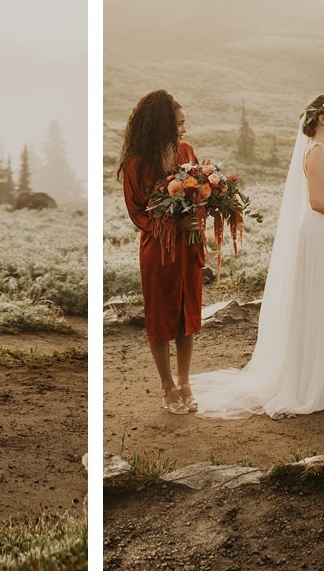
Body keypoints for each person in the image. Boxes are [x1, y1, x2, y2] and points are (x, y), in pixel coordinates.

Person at [191, 91, 324, 418]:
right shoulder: (316, 153)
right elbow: (316, 202)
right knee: (322, 303)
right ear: (322, 120)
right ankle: (315, 382)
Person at [118, 91, 206, 414]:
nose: (183, 130)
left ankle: (185, 382)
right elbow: (137, 214)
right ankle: (167, 386)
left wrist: (197, 216)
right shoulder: (136, 164)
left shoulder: (186, 151)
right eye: (178, 124)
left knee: (187, 315)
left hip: (189, 248)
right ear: (161, 125)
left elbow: (199, 196)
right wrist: (171, 225)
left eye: (183, 124)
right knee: (160, 318)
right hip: (159, 250)